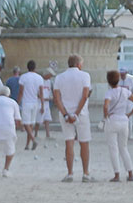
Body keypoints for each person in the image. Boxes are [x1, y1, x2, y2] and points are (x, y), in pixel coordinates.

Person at [53, 54, 94, 182]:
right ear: (79, 64)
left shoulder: (59, 77)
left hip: (65, 113)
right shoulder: (85, 76)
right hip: (81, 114)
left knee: (69, 143)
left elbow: (57, 98)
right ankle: (85, 173)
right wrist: (76, 113)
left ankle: (70, 173)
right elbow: (85, 95)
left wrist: (65, 113)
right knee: (84, 143)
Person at [103, 70, 133, 182]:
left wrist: (106, 116)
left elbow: (105, 106)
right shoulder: (125, 91)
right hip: (124, 120)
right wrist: (129, 114)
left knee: (113, 149)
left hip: (113, 120)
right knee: (124, 148)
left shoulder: (109, 93)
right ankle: (130, 173)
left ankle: (117, 174)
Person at [17, 60, 44, 151]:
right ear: (35, 68)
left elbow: (21, 91)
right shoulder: (39, 78)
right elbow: (41, 93)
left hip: (26, 102)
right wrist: (43, 105)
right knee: (31, 124)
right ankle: (28, 144)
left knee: (26, 123)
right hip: (35, 102)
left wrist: (18, 102)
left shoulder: (23, 77)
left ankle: (33, 140)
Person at [41, 68, 55, 139]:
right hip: (40, 102)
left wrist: (51, 97)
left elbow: (50, 92)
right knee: (38, 119)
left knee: (47, 119)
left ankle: (48, 134)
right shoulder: (40, 81)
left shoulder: (50, 82)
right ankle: (35, 134)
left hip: (47, 102)